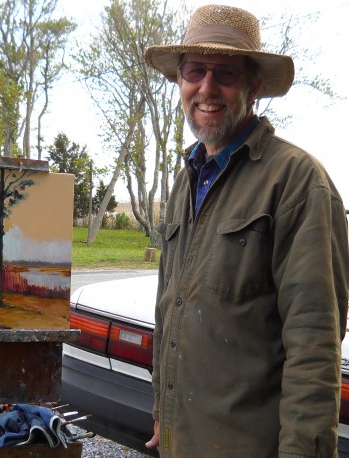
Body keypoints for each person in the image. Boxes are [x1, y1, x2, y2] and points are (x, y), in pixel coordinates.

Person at [143, 4, 349, 457]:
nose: (207, 88)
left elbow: (314, 344)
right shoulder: (187, 179)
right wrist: (163, 410)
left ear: (254, 86)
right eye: (194, 71)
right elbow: (169, 306)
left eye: (226, 74)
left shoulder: (297, 182)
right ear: (179, 81)